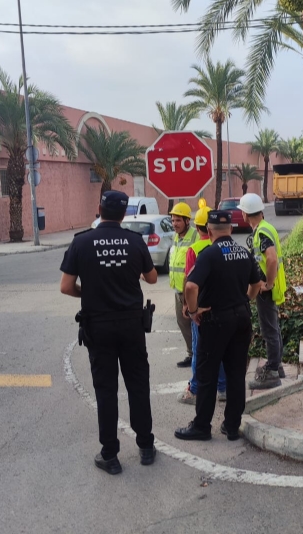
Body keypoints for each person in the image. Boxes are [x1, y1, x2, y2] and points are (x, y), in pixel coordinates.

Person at [60, 191, 158, 475]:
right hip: (131, 325)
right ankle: (146, 447)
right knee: (138, 385)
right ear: (124, 214)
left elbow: (66, 287)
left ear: (98, 209)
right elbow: (152, 278)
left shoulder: (81, 242)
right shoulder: (135, 240)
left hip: (98, 326)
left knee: (106, 390)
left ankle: (110, 455)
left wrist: (88, 292)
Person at [174, 210, 262, 442]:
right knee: (235, 373)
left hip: (216, 320)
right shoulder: (244, 253)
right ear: (231, 230)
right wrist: (246, 299)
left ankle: (202, 426)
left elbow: (191, 287)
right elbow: (257, 284)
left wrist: (193, 312)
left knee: (206, 373)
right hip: (241, 319)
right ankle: (232, 426)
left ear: (210, 231)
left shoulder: (209, 254)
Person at [177, 199, 227, 405]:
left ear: (198, 228)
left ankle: (195, 389)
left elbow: (189, 281)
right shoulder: (221, 246)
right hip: (222, 306)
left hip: (201, 308)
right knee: (221, 349)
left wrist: (188, 307)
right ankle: (223, 388)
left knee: (199, 349)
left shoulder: (195, 249)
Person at [238, 193, 287, 390]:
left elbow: (272, 259)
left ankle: (273, 372)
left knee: (269, 330)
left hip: (266, 289)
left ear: (246, 213)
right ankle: (278, 365)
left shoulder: (262, 232)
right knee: (273, 327)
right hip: (270, 286)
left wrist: (267, 283)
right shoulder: (263, 229)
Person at [168, 202, 199, 368]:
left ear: (187, 221)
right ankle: (191, 353)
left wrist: (188, 299)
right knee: (183, 324)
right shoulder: (176, 237)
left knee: (195, 324)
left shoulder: (194, 236)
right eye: (173, 220)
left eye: (178, 220)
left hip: (190, 290)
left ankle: (197, 354)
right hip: (178, 289)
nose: (175, 224)